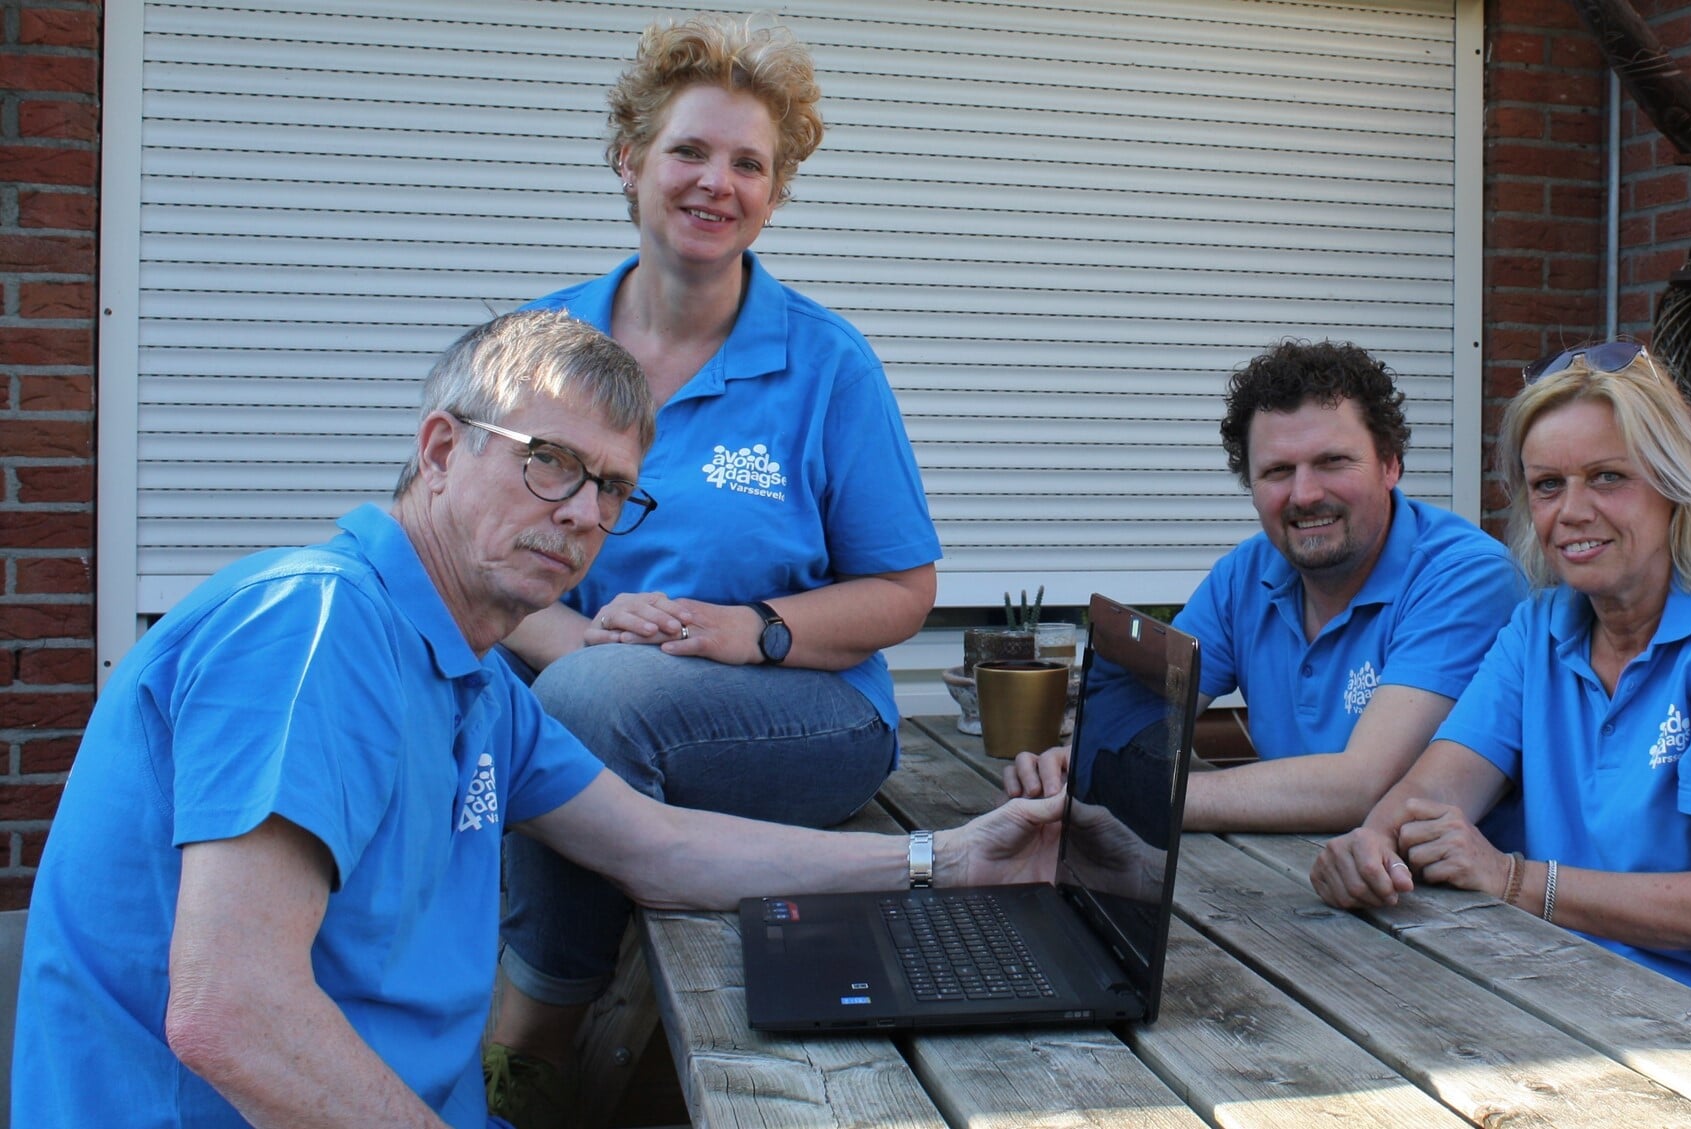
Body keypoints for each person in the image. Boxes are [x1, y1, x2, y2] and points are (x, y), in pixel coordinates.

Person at [10, 311, 1063, 1129]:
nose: (584, 514)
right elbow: (229, 1014)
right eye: (548, 461)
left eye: (613, 489)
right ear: (437, 450)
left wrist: (946, 857)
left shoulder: (474, 683)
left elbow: (663, 846)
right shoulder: (314, 627)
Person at [491, 14, 943, 1090]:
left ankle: (528, 1053)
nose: (715, 182)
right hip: (584, 684)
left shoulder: (827, 366)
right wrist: (586, 639)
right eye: (689, 150)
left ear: (774, 195)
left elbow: (905, 590)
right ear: (629, 159)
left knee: (579, 715)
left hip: (808, 708)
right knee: (552, 703)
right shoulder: (544, 346)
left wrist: (752, 630)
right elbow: (480, 560)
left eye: (749, 163)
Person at [1310, 343, 1691, 1081]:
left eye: (1608, 478)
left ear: (1674, 484)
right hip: (1599, 1007)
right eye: (1548, 485)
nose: (1573, 512)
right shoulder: (1539, 630)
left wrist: (1511, 878)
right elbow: (1435, 791)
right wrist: (1369, 843)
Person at [1006, 340, 1525, 836]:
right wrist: (1070, 764)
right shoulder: (1247, 573)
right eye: (1278, 471)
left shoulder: (1465, 576)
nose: (1305, 494)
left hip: (1456, 912)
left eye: (1332, 462)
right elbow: (1152, 710)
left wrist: (1129, 790)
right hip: (1296, 886)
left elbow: (1364, 786)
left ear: (1390, 464)